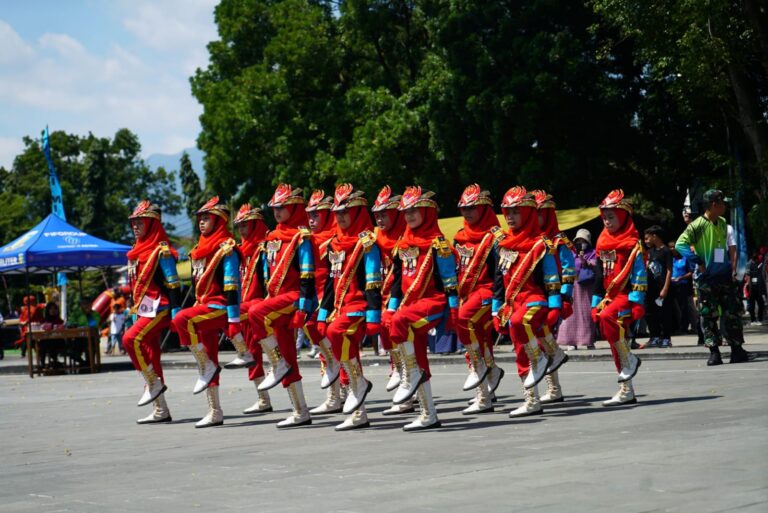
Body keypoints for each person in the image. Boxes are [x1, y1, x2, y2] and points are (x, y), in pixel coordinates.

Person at [385, 186, 458, 431]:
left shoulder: (439, 244)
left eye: (414, 210)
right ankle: (429, 414)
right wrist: (390, 308)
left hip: (433, 303)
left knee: (401, 321)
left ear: (427, 212)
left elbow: (450, 283)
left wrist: (454, 313)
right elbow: (397, 282)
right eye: (406, 212)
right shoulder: (402, 244)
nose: (409, 216)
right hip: (410, 305)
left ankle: (409, 373)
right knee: (416, 351)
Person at [248, 184, 316, 428]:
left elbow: (307, 276)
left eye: (282, 207)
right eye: (275, 207)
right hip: (277, 302)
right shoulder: (272, 237)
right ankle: (300, 411)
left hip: (294, 297)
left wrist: (303, 309)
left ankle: (276, 363)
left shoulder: (302, 237)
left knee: (255, 312)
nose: (277, 211)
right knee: (289, 355)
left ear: (295, 208)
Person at [316, 184, 381, 430]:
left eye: (346, 212)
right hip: (340, 308)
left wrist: (373, 316)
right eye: (338, 213)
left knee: (336, 333)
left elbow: (373, 282)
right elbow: (331, 284)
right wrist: (322, 314)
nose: (341, 217)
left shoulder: (367, 244)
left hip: (360, 307)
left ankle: (359, 385)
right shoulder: (334, 243)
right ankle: (359, 414)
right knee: (343, 346)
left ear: (357, 213)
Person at [172, 196, 241, 428]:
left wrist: (233, 320)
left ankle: (300, 409)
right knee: (209, 356)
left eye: (206, 218)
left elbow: (231, 287)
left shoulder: (227, 248)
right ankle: (215, 411)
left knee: (182, 319)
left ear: (219, 221)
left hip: (220, 308)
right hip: (203, 308)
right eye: (200, 218)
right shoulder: (197, 250)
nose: (201, 222)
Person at [492, 186, 559, 417]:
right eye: (507, 212)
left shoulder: (542, 244)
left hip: (534, 299)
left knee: (520, 322)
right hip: (512, 304)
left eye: (516, 212)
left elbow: (552, 279)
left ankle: (541, 360)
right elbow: (499, 279)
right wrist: (495, 310)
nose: (510, 217)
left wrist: (556, 306)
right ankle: (531, 400)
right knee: (520, 351)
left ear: (529, 213)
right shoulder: (503, 244)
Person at [675, 189, 753, 365]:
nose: (724, 206)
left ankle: (737, 349)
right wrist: (697, 260)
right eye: (722, 203)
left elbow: (726, 248)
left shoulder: (723, 222)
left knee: (732, 314)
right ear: (714, 204)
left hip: (724, 276)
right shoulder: (697, 225)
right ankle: (714, 352)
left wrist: (731, 269)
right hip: (707, 278)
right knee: (709, 316)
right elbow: (680, 244)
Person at [123, 201, 181, 424]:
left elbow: (174, 285)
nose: (135, 226)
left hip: (160, 308)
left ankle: (153, 383)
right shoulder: (135, 250)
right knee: (150, 356)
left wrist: (176, 315)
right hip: (143, 310)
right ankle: (160, 410)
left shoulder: (162, 251)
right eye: (133, 223)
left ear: (150, 224)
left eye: (140, 222)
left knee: (130, 339)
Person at [452, 184, 505, 414]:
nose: (467, 212)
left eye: (472, 207)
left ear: (484, 209)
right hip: (466, 294)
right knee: (479, 339)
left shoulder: (496, 238)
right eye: (464, 208)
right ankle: (485, 393)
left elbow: (500, 273)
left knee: (464, 320)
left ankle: (483, 372)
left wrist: (498, 304)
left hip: (487, 293)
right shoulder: (459, 236)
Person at [591, 189, 646, 406]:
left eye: (611, 217)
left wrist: (637, 302)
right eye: (604, 217)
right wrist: (595, 302)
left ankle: (630, 361)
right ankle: (627, 390)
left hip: (625, 297)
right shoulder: (601, 241)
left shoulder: (633, 243)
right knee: (616, 343)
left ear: (622, 216)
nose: (607, 221)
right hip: (608, 297)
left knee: (608, 318)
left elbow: (639, 275)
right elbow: (599, 275)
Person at [224, 203, 273, 415]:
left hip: (260, 305)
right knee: (252, 354)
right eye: (239, 226)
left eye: (245, 225)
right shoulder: (239, 250)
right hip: (244, 308)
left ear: (255, 225)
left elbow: (268, 281)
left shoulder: (264, 248)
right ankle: (263, 399)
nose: (242, 230)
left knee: (280, 355)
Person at [371, 185, 414, 416]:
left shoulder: (408, 235)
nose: (379, 219)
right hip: (385, 294)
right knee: (389, 339)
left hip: (407, 294)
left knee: (406, 344)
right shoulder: (376, 237)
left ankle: (408, 394)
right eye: (376, 215)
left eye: (384, 214)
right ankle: (401, 377)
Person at [303, 190, 345, 415]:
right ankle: (334, 396)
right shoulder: (308, 240)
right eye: (309, 215)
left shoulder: (336, 239)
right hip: (316, 299)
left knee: (340, 346)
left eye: (316, 215)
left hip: (335, 297)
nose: (311, 219)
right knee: (323, 347)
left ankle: (347, 391)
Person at [533, 190, 574, 403]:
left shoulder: (559, 240)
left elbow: (568, 269)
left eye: (539, 213)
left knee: (545, 337)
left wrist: (565, 297)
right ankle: (554, 387)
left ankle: (554, 387)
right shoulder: (530, 239)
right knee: (539, 340)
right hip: (535, 292)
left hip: (554, 295)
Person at [557, 228, 597, 349]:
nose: (581, 243)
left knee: (586, 314)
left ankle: (588, 341)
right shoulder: (571, 252)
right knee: (570, 314)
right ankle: (571, 342)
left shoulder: (593, 252)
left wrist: (585, 262)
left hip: (586, 287)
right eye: (578, 240)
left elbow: (596, 265)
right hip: (572, 286)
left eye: (583, 240)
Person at [642, 225, 675, 348]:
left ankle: (666, 337)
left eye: (647, 238)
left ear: (654, 236)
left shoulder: (666, 251)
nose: (645, 241)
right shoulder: (650, 252)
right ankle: (654, 336)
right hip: (651, 287)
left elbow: (669, 270)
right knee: (650, 312)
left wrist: (665, 288)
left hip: (662, 287)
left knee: (664, 313)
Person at [669, 241, 696, 334]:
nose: (672, 249)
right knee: (675, 308)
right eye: (670, 247)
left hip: (683, 285)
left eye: (674, 247)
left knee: (684, 307)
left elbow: (691, 272)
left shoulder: (685, 258)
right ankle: (677, 326)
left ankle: (684, 327)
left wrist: (681, 278)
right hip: (672, 285)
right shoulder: (671, 259)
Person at [745, 251, 765, 325]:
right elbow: (748, 276)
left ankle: (759, 319)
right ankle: (753, 320)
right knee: (752, 305)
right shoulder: (749, 264)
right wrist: (750, 288)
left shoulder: (757, 263)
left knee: (761, 303)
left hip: (757, 287)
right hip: (752, 287)